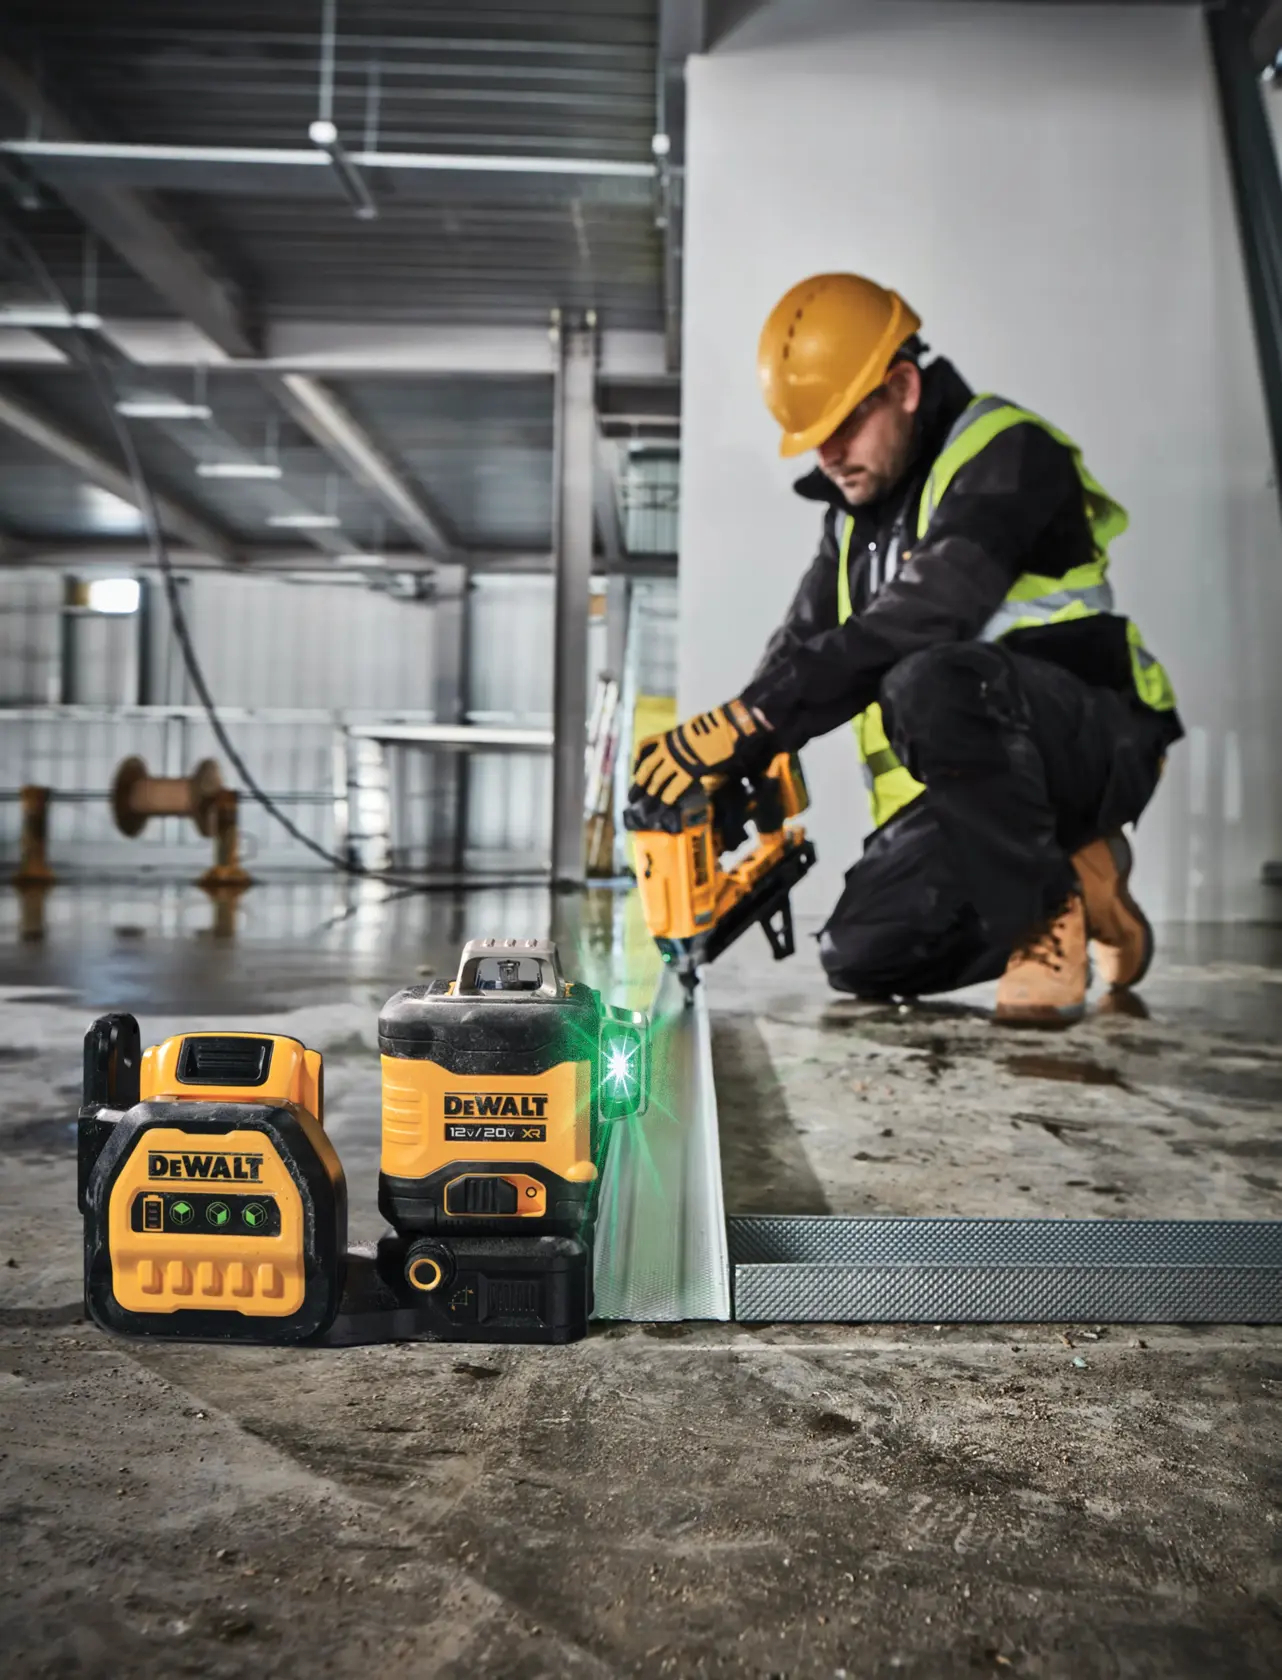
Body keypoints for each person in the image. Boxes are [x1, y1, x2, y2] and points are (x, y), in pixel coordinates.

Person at [629, 273, 1182, 1025]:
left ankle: (1044, 920)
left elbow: (929, 615)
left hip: (1098, 743)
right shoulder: (854, 520)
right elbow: (802, 648)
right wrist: (735, 756)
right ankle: (1087, 876)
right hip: (992, 797)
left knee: (925, 678)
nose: (826, 453)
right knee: (863, 955)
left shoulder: (1007, 454)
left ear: (904, 386)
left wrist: (756, 720)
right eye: (812, 436)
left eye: (844, 424)